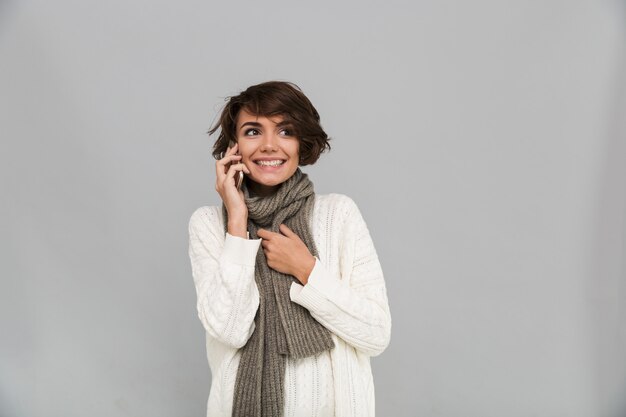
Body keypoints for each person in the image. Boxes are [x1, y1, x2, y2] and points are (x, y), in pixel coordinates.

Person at [187, 80, 391, 417]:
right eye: (253, 131)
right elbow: (230, 330)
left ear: (302, 143)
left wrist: (307, 270)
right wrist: (237, 225)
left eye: (285, 131)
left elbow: (375, 334)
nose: (269, 145)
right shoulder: (209, 224)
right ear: (234, 146)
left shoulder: (338, 214)